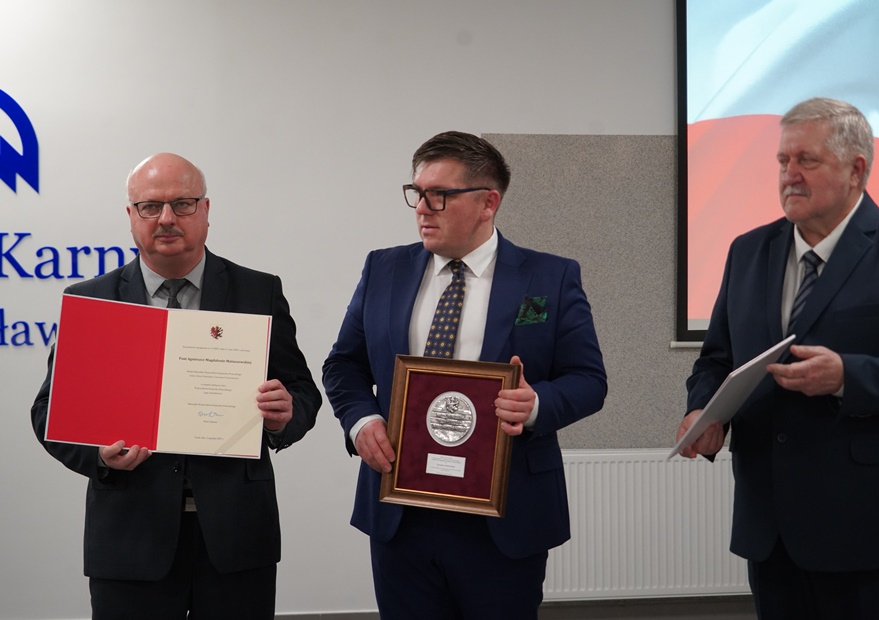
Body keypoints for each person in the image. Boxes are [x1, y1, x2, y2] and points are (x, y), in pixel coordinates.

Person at [322, 131, 607, 619]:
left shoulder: (550, 278)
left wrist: (535, 405)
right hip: (401, 511)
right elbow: (343, 364)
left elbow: (588, 380)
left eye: (440, 195)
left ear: (487, 203)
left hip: (503, 514)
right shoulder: (384, 268)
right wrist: (361, 421)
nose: (422, 209)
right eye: (417, 193)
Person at [31, 153, 322, 620]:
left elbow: (302, 390)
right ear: (131, 215)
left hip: (236, 535)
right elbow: (48, 411)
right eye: (150, 206)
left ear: (206, 210)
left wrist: (284, 414)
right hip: (130, 538)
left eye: (182, 204)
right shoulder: (91, 300)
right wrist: (98, 456)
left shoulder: (258, 291)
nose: (166, 218)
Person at [677, 97, 879, 618]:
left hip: (874, 533)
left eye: (806, 160)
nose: (789, 174)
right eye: (782, 160)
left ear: (856, 169)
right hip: (771, 532)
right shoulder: (748, 251)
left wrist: (847, 376)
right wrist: (705, 411)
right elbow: (717, 359)